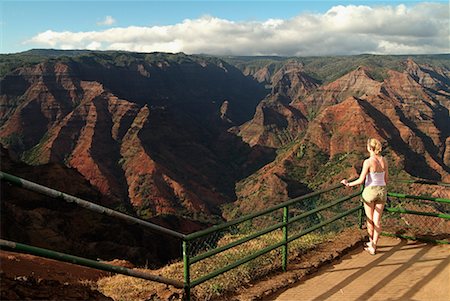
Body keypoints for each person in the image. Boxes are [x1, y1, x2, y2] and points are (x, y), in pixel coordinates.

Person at [341, 138, 388, 255]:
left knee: (370, 220)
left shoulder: (368, 162)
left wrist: (348, 184)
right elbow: (386, 179)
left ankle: (371, 242)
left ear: (369, 148)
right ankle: (374, 245)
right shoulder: (384, 160)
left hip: (370, 192)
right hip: (382, 191)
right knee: (377, 221)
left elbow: (361, 180)